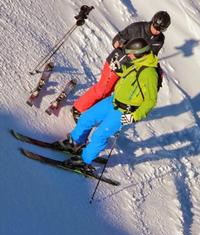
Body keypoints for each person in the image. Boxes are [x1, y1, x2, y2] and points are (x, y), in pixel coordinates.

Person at [58, 37, 159, 174]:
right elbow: (130, 79)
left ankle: (84, 161)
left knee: (100, 135)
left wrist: (133, 117)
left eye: (131, 53)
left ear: (140, 53)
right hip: (112, 101)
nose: (128, 55)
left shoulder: (150, 73)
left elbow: (150, 101)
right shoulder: (137, 62)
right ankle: (75, 142)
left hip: (124, 111)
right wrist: (119, 69)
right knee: (86, 118)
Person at [71, 11, 171, 120]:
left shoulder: (160, 40)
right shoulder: (137, 28)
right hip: (117, 62)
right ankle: (78, 108)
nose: (156, 31)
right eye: (155, 26)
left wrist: (156, 69)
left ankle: (94, 113)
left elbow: (152, 56)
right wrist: (118, 42)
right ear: (152, 21)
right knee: (102, 90)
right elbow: (117, 38)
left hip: (131, 70)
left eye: (160, 29)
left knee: (113, 93)